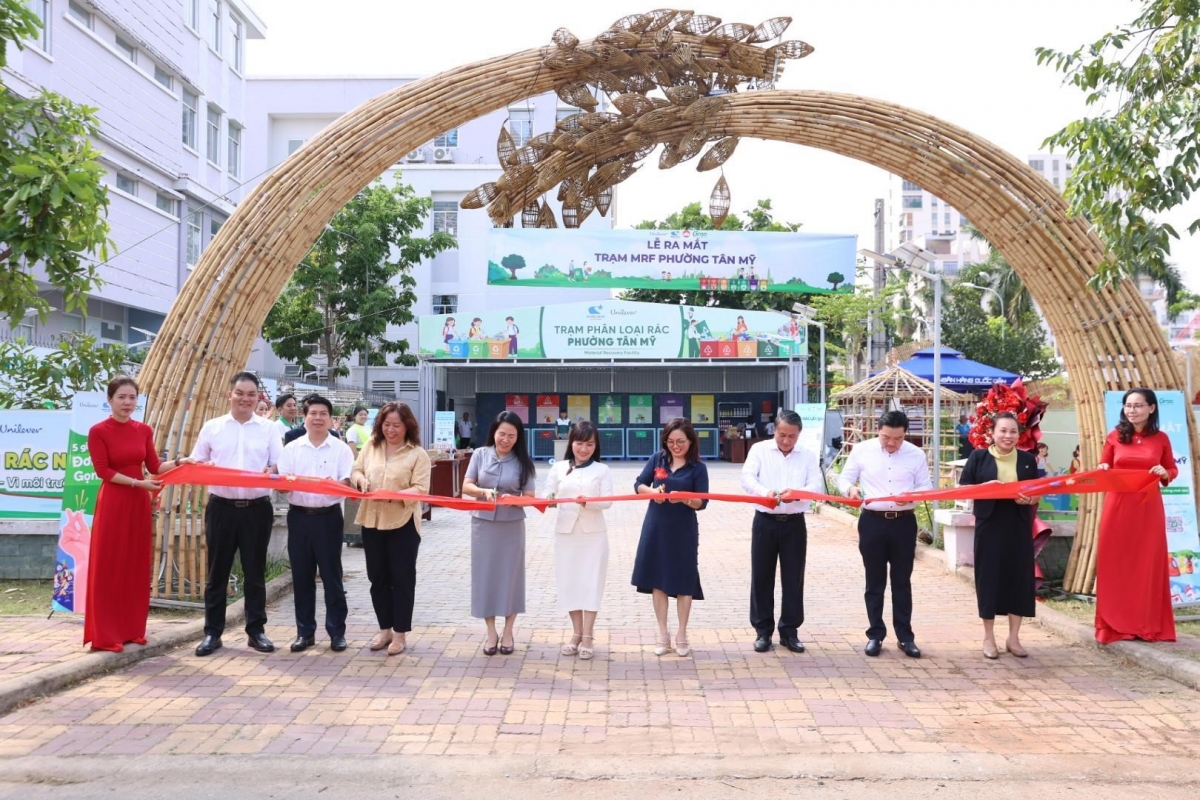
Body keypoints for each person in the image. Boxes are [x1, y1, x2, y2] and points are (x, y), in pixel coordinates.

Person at [83, 376, 183, 652]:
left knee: (134, 564)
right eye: (122, 397)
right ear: (110, 400)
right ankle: (106, 634)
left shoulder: (143, 430)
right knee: (110, 564)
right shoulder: (98, 431)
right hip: (114, 501)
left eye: (132, 397)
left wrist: (181, 462)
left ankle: (131, 630)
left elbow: (154, 464)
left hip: (138, 503)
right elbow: (102, 471)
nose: (128, 403)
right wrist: (139, 483)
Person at [187, 373, 284, 656]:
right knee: (217, 572)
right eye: (240, 393)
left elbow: (278, 464)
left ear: (258, 398)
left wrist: (272, 471)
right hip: (221, 508)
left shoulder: (268, 429)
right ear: (230, 394)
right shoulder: (213, 427)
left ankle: (256, 631)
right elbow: (198, 462)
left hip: (257, 509)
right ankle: (212, 633)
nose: (245, 399)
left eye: (251, 394)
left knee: (255, 573)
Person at [837, 410, 933, 658]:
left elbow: (926, 487)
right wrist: (850, 489)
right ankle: (875, 635)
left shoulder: (916, 454)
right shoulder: (862, 450)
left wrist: (912, 496)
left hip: (903, 523)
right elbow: (843, 478)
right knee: (874, 582)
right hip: (873, 522)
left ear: (905, 435)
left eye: (897, 438)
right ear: (877, 431)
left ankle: (905, 637)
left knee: (902, 581)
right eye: (886, 437)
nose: (891, 443)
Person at [1095, 388, 1178, 644]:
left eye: (1138, 405)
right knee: (1115, 561)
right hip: (1118, 507)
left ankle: (1145, 624)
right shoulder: (1114, 437)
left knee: (1146, 564)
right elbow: (1103, 466)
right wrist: (1104, 468)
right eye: (1128, 405)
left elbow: (1172, 469)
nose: (1132, 410)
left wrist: (1164, 472)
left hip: (1148, 508)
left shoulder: (1161, 438)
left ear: (1151, 408)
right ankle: (1114, 625)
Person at [740, 409, 825, 654]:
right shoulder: (759, 450)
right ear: (774, 430)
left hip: (794, 523)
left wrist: (797, 493)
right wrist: (764, 492)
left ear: (799, 435)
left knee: (793, 578)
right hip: (765, 521)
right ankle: (762, 631)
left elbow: (815, 485)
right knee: (761, 576)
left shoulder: (808, 455)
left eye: (792, 436)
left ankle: (789, 631)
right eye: (782, 435)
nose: (786, 441)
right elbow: (747, 477)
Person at [276, 394, 355, 653]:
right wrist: (287, 483)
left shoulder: (341, 449)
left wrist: (330, 484)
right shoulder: (291, 449)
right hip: (298, 517)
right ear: (304, 417)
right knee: (301, 576)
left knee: (332, 577)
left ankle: (336, 632)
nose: (318, 418)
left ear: (331, 418)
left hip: (328, 517)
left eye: (323, 413)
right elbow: (283, 488)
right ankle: (304, 633)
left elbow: (346, 482)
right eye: (313, 413)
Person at [351, 402, 430, 657]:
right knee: (378, 578)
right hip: (372, 521)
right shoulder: (371, 447)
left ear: (407, 425)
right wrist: (361, 480)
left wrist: (394, 494)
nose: (391, 430)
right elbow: (356, 470)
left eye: (396, 425)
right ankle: (384, 628)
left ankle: (399, 633)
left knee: (402, 579)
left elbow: (421, 489)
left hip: (402, 524)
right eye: (386, 424)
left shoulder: (417, 454)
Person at [957, 412, 1039, 659]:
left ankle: (1013, 638)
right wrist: (985, 488)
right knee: (988, 578)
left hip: (1018, 525)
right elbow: (963, 489)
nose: (1008, 436)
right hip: (989, 525)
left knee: (1020, 579)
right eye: (1003, 431)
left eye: (1013, 431)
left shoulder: (1027, 460)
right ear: (992, 433)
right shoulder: (978, 457)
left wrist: (1029, 498)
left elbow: (1037, 492)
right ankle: (988, 637)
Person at [631, 418, 709, 658]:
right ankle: (663, 635)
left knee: (684, 580)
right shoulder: (658, 459)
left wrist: (685, 498)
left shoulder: (698, 467)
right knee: (658, 579)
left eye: (680, 442)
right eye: (670, 441)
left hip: (683, 529)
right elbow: (638, 485)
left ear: (690, 441)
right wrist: (653, 492)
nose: (675, 446)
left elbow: (702, 502)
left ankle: (682, 634)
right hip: (656, 526)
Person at [461, 411, 537, 655]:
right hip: (483, 526)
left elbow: (530, 497)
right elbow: (466, 485)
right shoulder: (480, 455)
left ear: (518, 438)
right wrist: (483, 492)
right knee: (486, 577)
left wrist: (513, 499)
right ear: (494, 432)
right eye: (502, 434)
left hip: (511, 525)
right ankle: (491, 631)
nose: (505, 439)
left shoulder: (524, 461)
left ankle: (508, 631)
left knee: (511, 578)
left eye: (511, 436)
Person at [544, 421, 614, 660]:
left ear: (596, 446)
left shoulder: (602, 470)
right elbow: (548, 494)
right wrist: (550, 500)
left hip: (594, 534)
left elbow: (608, 501)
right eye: (579, 443)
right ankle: (575, 633)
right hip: (566, 533)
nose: (584, 449)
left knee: (591, 582)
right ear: (570, 443)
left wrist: (588, 502)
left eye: (589, 444)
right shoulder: (559, 467)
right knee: (570, 582)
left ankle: (588, 635)